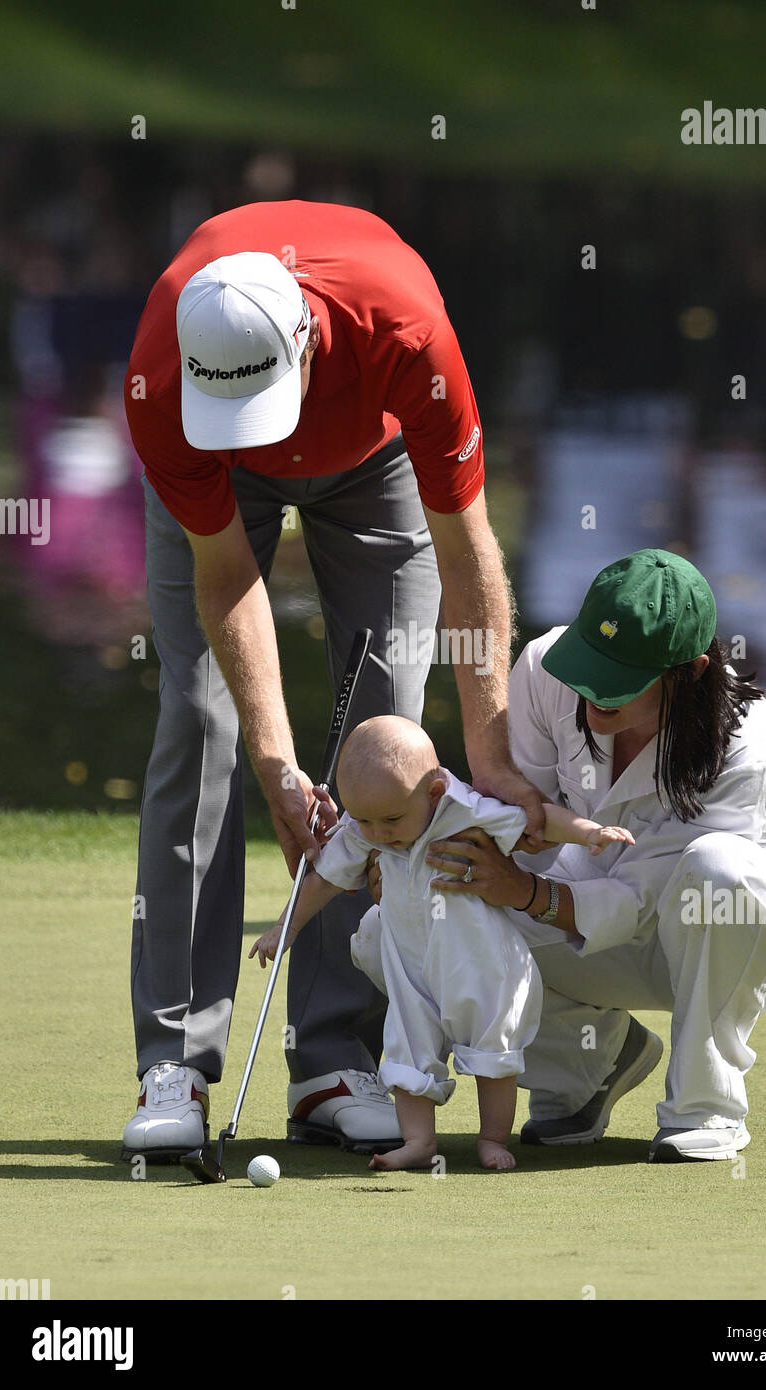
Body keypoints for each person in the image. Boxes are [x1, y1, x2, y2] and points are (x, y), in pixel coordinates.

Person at [120, 202, 545, 1162]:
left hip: (374, 454)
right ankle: (174, 1064)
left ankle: (334, 1058)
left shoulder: (404, 331)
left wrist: (488, 749)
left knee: (385, 732)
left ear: (309, 338)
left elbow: (468, 551)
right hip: (218, 484)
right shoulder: (161, 377)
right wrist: (275, 763)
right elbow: (226, 577)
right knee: (200, 717)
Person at [366, 549, 766, 1162]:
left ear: (686, 672)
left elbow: (640, 900)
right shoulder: (544, 669)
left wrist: (526, 894)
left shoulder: (754, 748)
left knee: (719, 871)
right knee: (392, 930)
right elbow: (516, 825)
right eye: (590, 660)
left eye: (620, 675)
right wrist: (410, 851)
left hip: (734, 937)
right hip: (592, 913)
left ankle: (705, 1107)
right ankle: (590, 1067)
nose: (589, 692)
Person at [249, 716, 633, 1170]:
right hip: (412, 975)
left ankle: (492, 1139)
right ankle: (418, 1143)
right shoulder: (364, 829)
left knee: (494, 1054)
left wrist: (588, 831)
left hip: (483, 967)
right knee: (407, 1052)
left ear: (433, 793)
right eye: (365, 819)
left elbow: (539, 821)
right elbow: (321, 883)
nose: (377, 833)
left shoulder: (466, 810)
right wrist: (283, 928)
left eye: (390, 819)